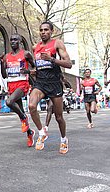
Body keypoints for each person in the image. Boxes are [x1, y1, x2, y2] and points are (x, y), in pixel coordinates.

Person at [28, 21, 72, 154]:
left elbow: (68, 64)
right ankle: (42, 132)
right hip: (41, 82)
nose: (43, 32)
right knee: (31, 106)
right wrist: (35, 70)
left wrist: (51, 59)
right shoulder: (36, 47)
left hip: (54, 83)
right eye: (41, 30)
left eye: (46, 30)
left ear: (51, 31)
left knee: (59, 117)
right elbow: (39, 64)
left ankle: (64, 139)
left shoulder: (57, 43)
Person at [0, 34, 36, 147]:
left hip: (22, 84)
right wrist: (2, 63)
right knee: (20, 111)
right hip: (11, 85)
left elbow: (36, 68)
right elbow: (4, 75)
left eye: (15, 39)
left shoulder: (26, 54)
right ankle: (30, 133)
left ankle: (24, 118)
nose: (13, 42)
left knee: (9, 102)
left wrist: (28, 72)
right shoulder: (6, 56)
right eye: (11, 40)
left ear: (20, 41)